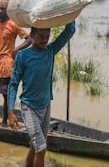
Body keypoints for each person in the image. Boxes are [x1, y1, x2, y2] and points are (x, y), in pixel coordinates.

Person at [7, 20, 76, 167]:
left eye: (47, 36)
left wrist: (70, 16)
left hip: (45, 107)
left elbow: (69, 32)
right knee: (41, 148)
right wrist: (10, 111)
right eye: (41, 36)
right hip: (29, 108)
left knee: (35, 145)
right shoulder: (23, 56)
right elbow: (13, 85)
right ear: (32, 35)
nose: (45, 39)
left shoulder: (50, 51)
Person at [0, 0, 32, 125]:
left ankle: (4, 121)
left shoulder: (13, 24)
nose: (0, 11)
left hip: (6, 67)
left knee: (6, 96)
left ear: (7, 11)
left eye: (2, 9)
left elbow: (29, 39)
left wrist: (16, 50)